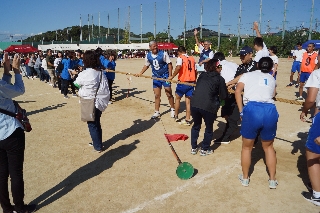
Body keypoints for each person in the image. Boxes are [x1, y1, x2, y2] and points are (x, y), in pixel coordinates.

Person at [0, 53, 36, 213]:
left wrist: (6, 73)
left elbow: (4, 90)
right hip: (10, 131)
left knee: (1, 174)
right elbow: (19, 90)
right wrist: (16, 71)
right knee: (15, 172)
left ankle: (6, 208)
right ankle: (20, 208)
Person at [235, 57, 278, 188]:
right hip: (270, 110)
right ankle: (272, 180)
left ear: (258, 65)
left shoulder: (247, 75)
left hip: (252, 109)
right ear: (271, 68)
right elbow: (273, 94)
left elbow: (237, 91)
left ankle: (245, 178)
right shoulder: (272, 79)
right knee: (269, 147)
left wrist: (241, 111)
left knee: (247, 147)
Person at [215, 46, 258, 144]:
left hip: (250, 97)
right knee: (231, 116)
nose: (241, 58)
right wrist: (229, 87)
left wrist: (227, 84)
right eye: (241, 56)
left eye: (244, 55)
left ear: (251, 55)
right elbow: (236, 81)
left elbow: (242, 77)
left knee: (250, 119)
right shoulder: (240, 66)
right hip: (239, 96)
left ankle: (254, 139)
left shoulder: (255, 66)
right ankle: (225, 137)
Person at [74, 50, 110, 153]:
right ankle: (97, 142)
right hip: (100, 101)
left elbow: (76, 84)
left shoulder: (84, 73)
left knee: (92, 124)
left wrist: (76, 74)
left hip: (90, 102)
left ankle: (98, 146)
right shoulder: (101, 73)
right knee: (97, 123)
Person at [190, 58, 228, 156]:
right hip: (208, 106)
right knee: (209, 128)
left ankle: (194, 148)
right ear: (216, 67)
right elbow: (224, 96)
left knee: (196, 126)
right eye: (220, 66)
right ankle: (205, 149)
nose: (221, 68)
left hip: (194, 104)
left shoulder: (202, 75)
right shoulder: (220, 79)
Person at [134, 41, 175, 119]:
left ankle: (172, 108)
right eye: (153, 46)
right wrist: (140, 73)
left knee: (168, 93)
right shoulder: (148, 56)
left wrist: (170, 76)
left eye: (156, 46)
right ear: (150, 47)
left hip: (165, 76)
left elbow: (169, 64)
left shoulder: (163, 54)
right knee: (157, 95)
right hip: (156, 77)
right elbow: (146, 65)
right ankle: (156, 112)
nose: (155, 47)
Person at [300, 67, 320, 206]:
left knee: (312, 153)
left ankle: (317, 195)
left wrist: (305, 109)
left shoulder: (317, 73)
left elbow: (311, 98)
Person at [168, 46, 197, 125]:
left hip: (183, 82)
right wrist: (194, 79)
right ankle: (187, 119)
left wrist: (172, 76)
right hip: (191, 82)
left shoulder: (180, 58)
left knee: (177, 99)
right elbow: (196, 70)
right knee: (188, 102)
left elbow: (178, 67)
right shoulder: (192, 58)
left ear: (179, 52)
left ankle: (176, 116)